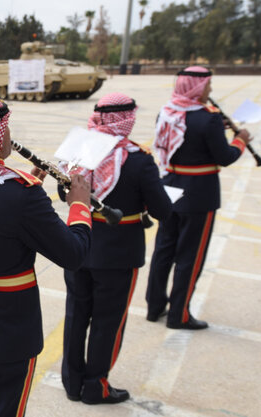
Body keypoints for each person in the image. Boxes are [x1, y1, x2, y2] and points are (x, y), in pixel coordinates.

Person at [0, 95, 93, 417]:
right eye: (4, 128)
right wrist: (80, 203)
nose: (9, 136)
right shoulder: (19, 194)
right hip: (9, 328)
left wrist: (30, 185)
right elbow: (74, 253)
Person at [58, 93, 173, 405]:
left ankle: (72, 382)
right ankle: (96, 385)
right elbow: (162, 210)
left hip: (80, 242)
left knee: (76, 313)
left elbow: (62, 191)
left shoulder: (80, 150)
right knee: (108, 320)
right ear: (127, 119)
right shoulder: (137, 159)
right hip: (119, 251)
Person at [146, 66, 252, 330]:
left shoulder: (167, 112)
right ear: (196, 87)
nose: (210, 90)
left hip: (169, 189)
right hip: (199, 193)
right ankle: (178, 315)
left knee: (163, 250)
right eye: (207, 85)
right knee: (189, 257)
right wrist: (240, 139)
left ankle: (155, 306)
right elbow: (225, 157)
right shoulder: (209, 118)